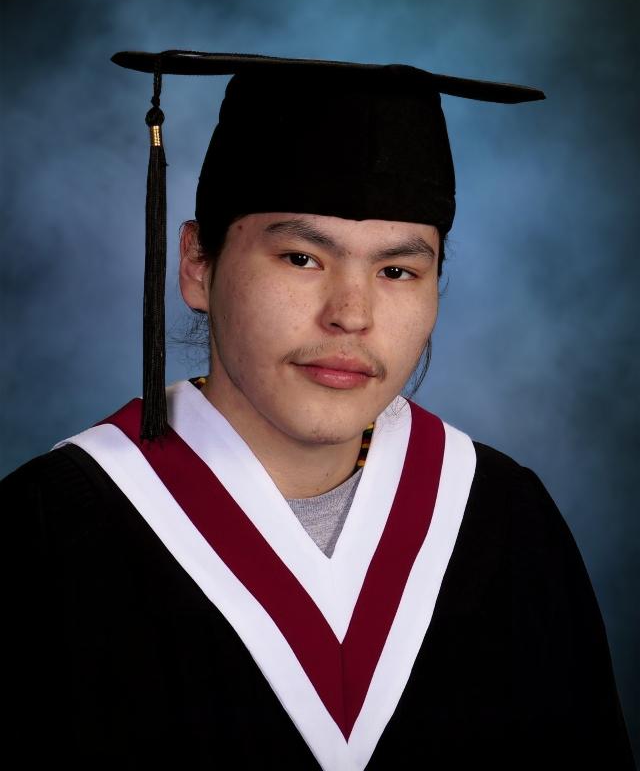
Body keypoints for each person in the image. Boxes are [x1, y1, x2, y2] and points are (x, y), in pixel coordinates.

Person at [3, 51, 635, 770]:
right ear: (198, 265)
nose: (351, 314)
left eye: (398, 270)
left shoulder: (507, 520)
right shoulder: (47, 529)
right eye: (302, 258)